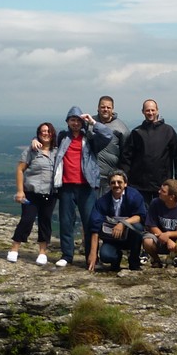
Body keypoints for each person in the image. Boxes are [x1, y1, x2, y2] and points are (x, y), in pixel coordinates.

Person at [52, 106, 113, 267]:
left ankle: (92, 257)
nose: (75, 123)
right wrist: (35, 140)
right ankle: (67, 255)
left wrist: (93, 122)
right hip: (66, 185)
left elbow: (108, 135)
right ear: (67, 122)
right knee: (66, 222)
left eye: (78, 120)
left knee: (90, 224)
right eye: (72, 120)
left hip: (87, 186)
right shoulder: (62, 137)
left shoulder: (91, 139)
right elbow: (44, 138)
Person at [7, 122, 58, 265]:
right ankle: (14, 249)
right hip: (31, 193)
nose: (45, 133)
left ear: (53, 133)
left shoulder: (57, 151)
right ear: (38, 134)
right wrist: (20, 191)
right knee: (27, 220)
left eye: (48, 131)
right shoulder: (31, 150)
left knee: (45, 221)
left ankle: (42, 252)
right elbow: (20, 170)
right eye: (42, 131)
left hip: (50, 193)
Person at [120, 99, 177, 206]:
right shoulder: (136, 132)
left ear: (157, 110)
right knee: (141, 217)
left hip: (163, 185)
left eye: (152, 110)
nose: (150, 113)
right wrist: (125, 178)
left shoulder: (168, 131)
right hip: (139, 185)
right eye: (147, 110)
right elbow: (126, 158)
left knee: (161, 217)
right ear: (143, 111)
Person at [87, 171, 147, 272]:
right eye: (113, 182)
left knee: (137, 227)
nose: (116, 185)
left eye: (119, 182)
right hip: (112, 238)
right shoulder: (102, 202)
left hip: (129, 237)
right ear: (109, 185)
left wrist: (123, 223)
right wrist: (93, 254)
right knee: (105, 255)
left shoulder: (134, 196)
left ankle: (134, 262)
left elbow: (140, 216)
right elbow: (95, 227)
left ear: (125, 184)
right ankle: (115, 260)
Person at [142, 178, 177, 267]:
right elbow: (151, 225)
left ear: (171, 197)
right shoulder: (155, 203)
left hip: (176, 240)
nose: (159, 191)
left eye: (163, 191)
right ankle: (156, 260)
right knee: (147, 241)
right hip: (158, 237)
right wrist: (167, 240)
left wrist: (168, 234)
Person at [94, 95, 129, 189]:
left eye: (108, 107)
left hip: (110, 177)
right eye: (102, 107)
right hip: (90, 176)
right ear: (98, 108)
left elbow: (126, 153)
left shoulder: (121, 128)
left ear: (112, 109)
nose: (105, 109)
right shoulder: (89, 123)